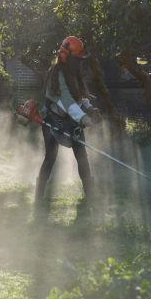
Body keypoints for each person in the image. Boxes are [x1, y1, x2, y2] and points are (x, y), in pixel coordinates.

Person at [35, 36, 101, 204]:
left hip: (72, 123)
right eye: (77, 59)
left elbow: (79, 99)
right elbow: (67, 103)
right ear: (67, 56)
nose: (80, 62)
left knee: (82, 158)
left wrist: (90, 109)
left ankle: (90, 196)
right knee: (50, 158)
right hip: (53, 121)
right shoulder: (55, 75)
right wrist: (86, 119)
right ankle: (39, 195)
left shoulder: (74, 73)